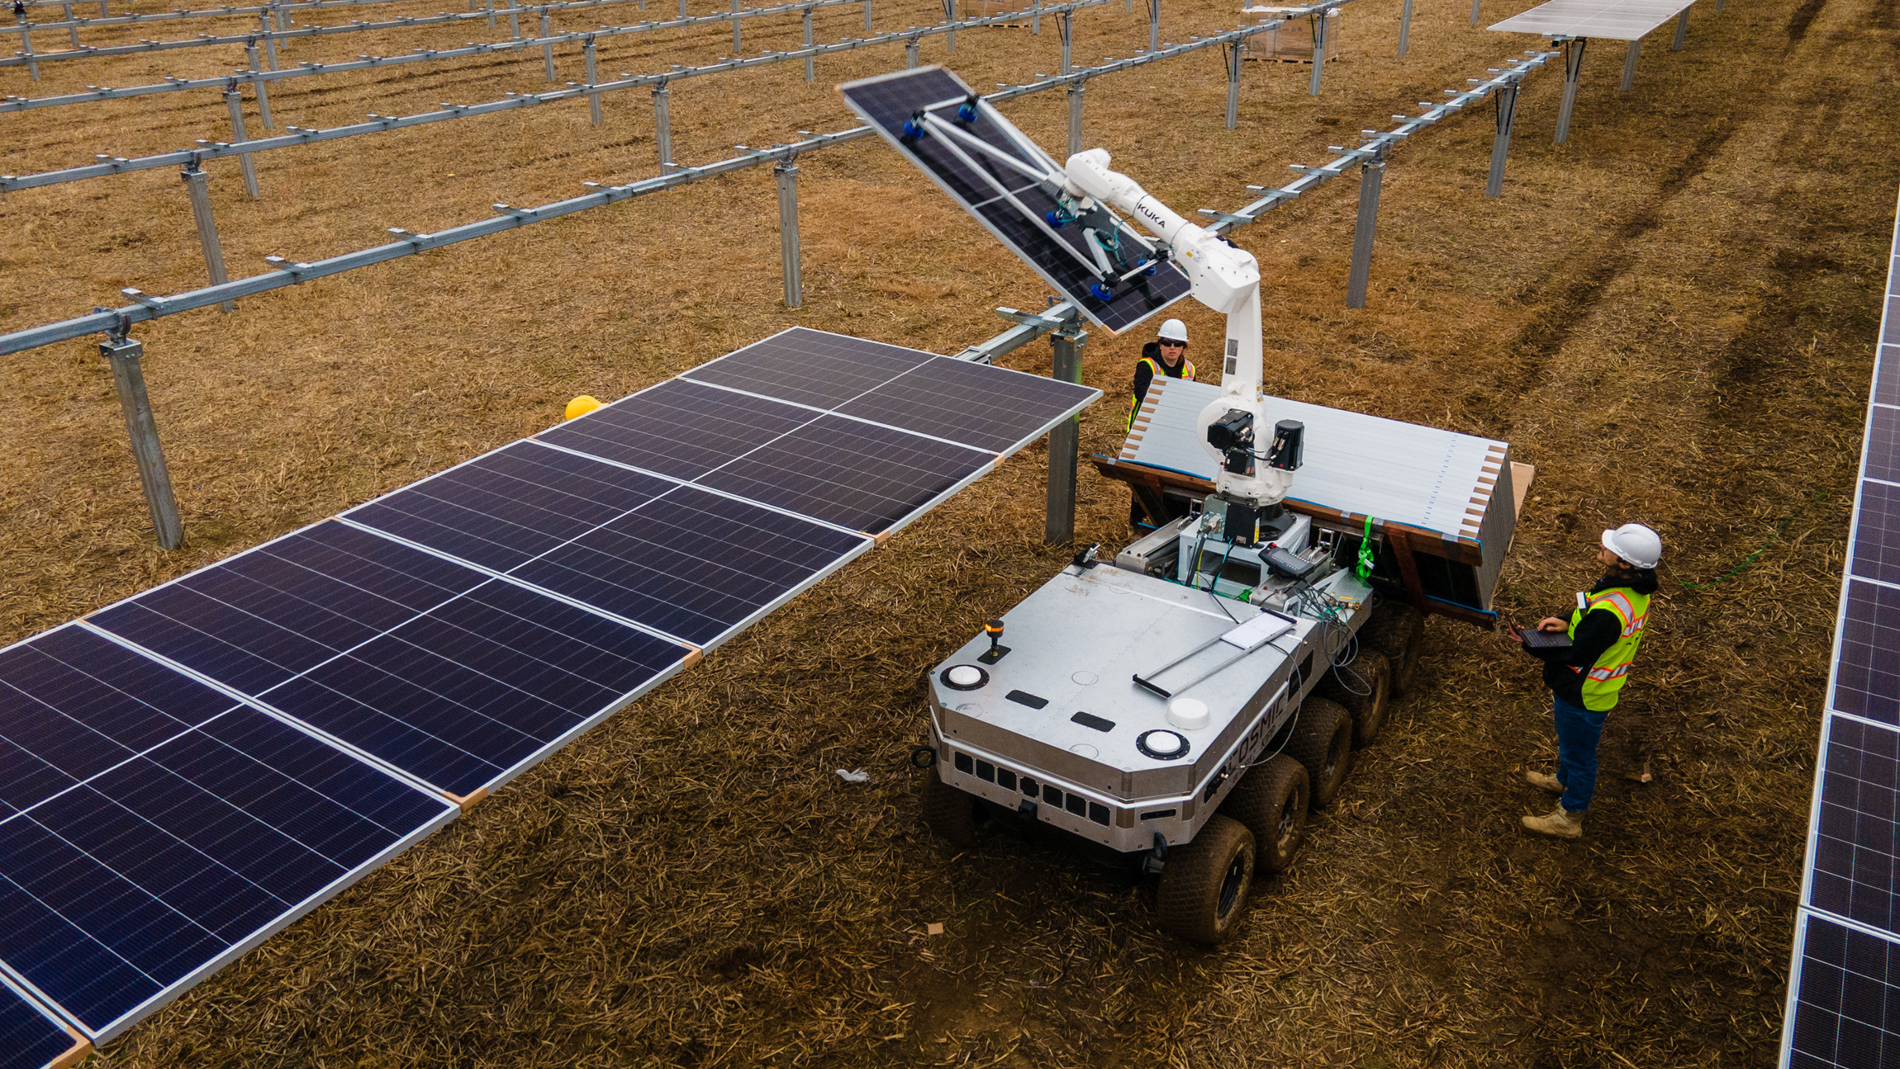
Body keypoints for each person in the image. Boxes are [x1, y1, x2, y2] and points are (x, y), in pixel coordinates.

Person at [1510, 522, 1661, 839]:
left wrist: (1529, 643)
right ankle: (1563, 780)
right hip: (1593, 689)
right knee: (1572, 749)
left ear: (1624, 563)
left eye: (1610, 548)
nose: (1601, 547)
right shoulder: (1629, 589)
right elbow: (1591, 614)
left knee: (1580, 758)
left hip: (1585, 694)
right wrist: (1566, 621)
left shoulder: (1611, 612)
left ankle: (1570, 817)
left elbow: (1576, 654)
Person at [1127, 319, 1196, 525]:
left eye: (1177, 344)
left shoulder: (1190, 369)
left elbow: (1192, 399)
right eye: (1167, 343)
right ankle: (1136, 521)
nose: (1172, 348)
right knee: (1143, 477)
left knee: (1170, 478)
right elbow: (1142, 394)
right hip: (1145, 428)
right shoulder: (1147, 366)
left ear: (1184, 346)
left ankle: (1168, 519)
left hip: (1173, 431)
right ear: (1160, 344)